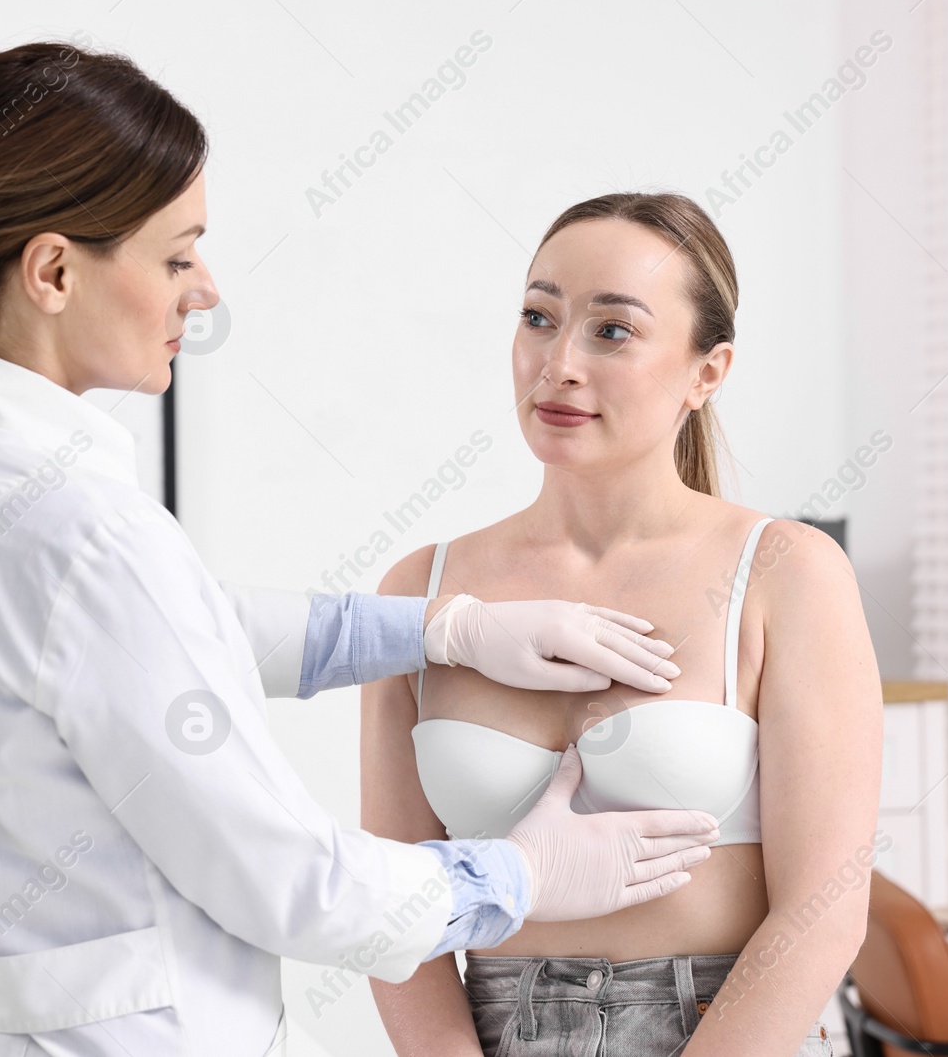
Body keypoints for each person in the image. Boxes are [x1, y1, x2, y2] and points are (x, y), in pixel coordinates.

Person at [0, 44, 726, 1056]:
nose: (206, 289)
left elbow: (176, 629)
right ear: (53, 271)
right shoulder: (73, 532)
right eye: (178, 254)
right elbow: (295, 882)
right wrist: (520, 874)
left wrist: (440, 632)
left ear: (706, 371)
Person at [362, 192, 885, 1056]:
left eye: (612, 330)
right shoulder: (421, 588)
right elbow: (392, 904)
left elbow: (823, 912)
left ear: (705, 371)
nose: (557, 363)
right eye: (539, 317)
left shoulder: (786, 574)